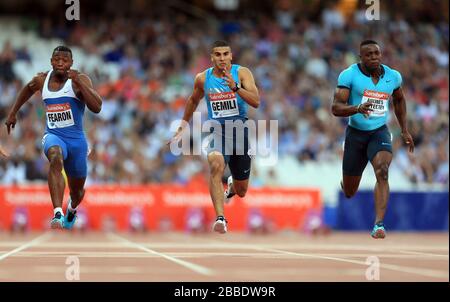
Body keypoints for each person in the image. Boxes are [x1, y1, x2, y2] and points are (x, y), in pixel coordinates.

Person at [5, 46, 102, 229]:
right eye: (56, 59)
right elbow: (27, 89)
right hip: (53, 135)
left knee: (77, 191)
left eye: (64, 60)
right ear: (51, 61)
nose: (60, 63)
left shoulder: (79, 80)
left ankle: (71, 209)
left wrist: (80, 84)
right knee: (55, 157)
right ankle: (57, 212)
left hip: (77, 141)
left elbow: (97, 107)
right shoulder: (42, 80)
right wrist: (13, 113)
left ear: (71, 63)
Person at [169, 40, 260, 234]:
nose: (222, 59)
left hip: (240, 129)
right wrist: (183, 125)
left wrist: (235, 88)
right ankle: (221, 218)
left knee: (242, 190)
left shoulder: (242, 73)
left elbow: (256, 101)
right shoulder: (203, 78)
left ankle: (232, 185)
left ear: (231, 56)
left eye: (225, 54)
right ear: (211, 58)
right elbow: (193, 100)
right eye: (217, 55)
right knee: (215, 163)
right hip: (216, 129)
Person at [331, 40, 414, 239]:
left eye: (377, 53)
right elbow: (336, 108)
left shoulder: (393, 77)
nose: (374, 57)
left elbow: (400, 100)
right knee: (350, 191)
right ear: (361, 58)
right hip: (355, 133)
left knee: (383, 172)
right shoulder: (349, 75)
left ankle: (378, 224)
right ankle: (347, 183)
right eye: (369, 55)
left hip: (379, 131)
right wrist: (357, 108)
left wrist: (404, 130)